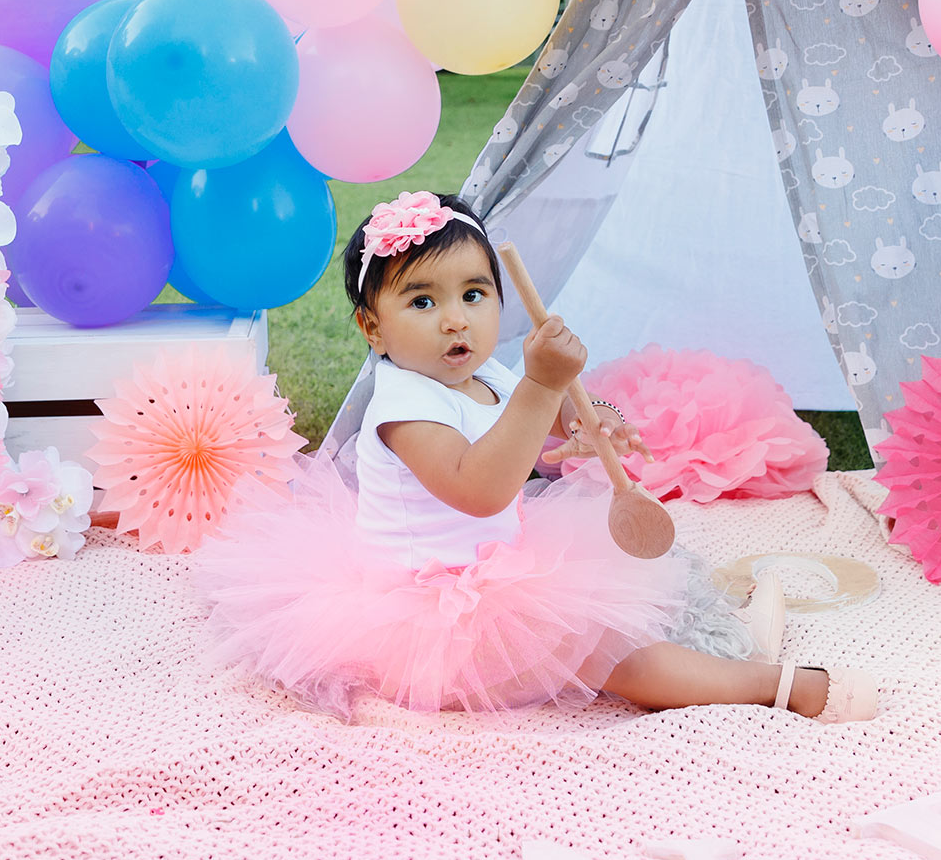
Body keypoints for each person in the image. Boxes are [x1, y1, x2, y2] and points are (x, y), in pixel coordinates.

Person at [197, 191, 876, 722]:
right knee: (613, 654)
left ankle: (713, 630)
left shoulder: (480, 372)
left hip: (501, 559)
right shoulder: (403, 409)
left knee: (639, 581)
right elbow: (482, 487)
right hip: (434, 607)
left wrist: (595, 418)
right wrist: (543, 382)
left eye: (473, 295)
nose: (455, 318)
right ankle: (769, 686)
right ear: (372, 327)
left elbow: (550, 415)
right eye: (422, 300)